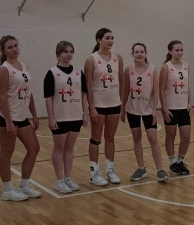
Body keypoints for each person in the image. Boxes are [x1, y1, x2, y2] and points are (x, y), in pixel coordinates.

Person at [0, 35, 42, 201]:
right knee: (7, 152)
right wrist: (9, 122)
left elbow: (28, 92)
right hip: (7, 116)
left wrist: (34, 114)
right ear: (4, 51)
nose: (14, 49)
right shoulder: (4, 70)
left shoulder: (24, 66)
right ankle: (7, 190)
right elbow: (2, 98)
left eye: (16, 45)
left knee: (34, 148)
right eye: (10, 47)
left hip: (22, 116)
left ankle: (24, 185)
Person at [44, 41, 89, 194]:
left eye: (71, 51)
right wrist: (51, 118)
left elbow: (84, 94)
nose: (69, 54)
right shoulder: (52, 73)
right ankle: (59, 180)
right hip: (60, 117)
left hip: (75, 116)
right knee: (59, 148)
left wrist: (85, 113)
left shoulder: (78, 72)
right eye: (65, 52)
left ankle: (68, 178)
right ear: (58, 54)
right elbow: (48, 97)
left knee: (69, 149)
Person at [121, 43, 169, 182]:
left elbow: (156, 92)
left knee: (153, 138)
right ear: (132, 54)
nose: (139, 54)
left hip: (148, 110)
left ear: (145, 53)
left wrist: (154, 110)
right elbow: (125, 90)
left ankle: (160, 170)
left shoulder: (153, 69)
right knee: (136, 138)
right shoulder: (128, 69)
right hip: (132, 109)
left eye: (142, 51)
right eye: (137, 52)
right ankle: (141, 169)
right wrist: (122, 109)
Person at [84, 27, 124, 185]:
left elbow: (122, 80)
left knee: (110, 138)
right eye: (107, 38)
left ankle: (110, 170)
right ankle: (94, 173)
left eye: (112, 38)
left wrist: (121, 102)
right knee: (96, 139)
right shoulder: (91, 59)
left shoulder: (118, 58)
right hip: (99, 105)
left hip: (114, 104)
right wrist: (91, 107)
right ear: (99, 40)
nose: (110, 41)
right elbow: (87, 85)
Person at [159, 40, 192, 175]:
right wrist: (164, 108)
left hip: (184, 107)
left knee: (186, 136)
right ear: (170, 51)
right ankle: (172, 162)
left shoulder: (186, 66)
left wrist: (189, 102)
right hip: (171, 107)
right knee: (170, 136)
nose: (179, 52)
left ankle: (180, 161)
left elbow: (187, 85)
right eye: (177, 50)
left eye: (181, 50)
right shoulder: (166, 67)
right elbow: (161, 89)